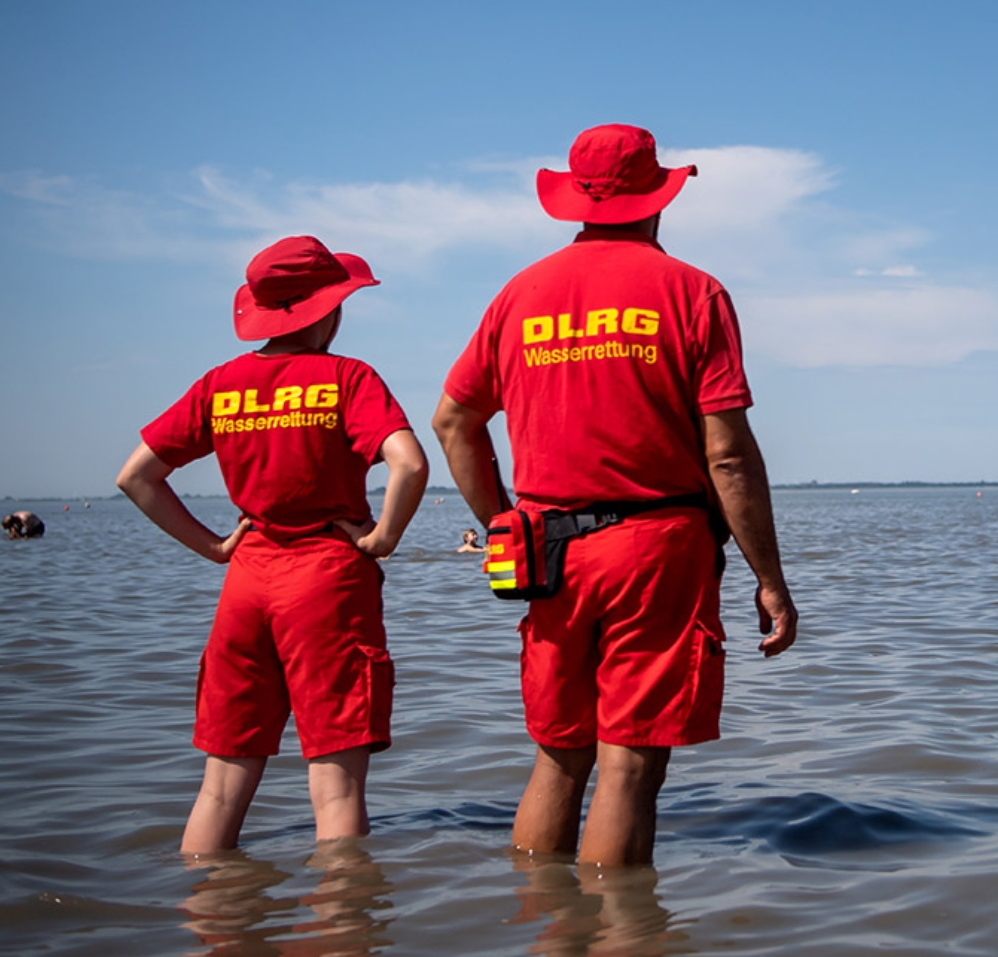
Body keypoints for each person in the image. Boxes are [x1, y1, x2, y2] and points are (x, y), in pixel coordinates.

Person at [432, 123, 799, 869]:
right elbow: (727, 455)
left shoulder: (519, 294)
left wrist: (501, 522)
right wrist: (771, 579)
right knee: (628, 764)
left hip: (544, 550)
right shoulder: (693, 291)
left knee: (560, 756)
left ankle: (548, 927)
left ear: (576, 202)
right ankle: (625, 934)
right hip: (655, 548)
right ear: (658, 200)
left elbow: (452, 419)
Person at [116, 235, 428, 855]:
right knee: (336, 793)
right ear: (329, 311)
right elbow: (411, 465)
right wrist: (382, 538)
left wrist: (212, 547)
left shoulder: (221, 384)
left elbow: (136, 477)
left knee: (220, 791)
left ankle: (209, 925)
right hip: (327, 585)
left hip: (246, 587)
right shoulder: (347, 377)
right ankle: (341, 936)